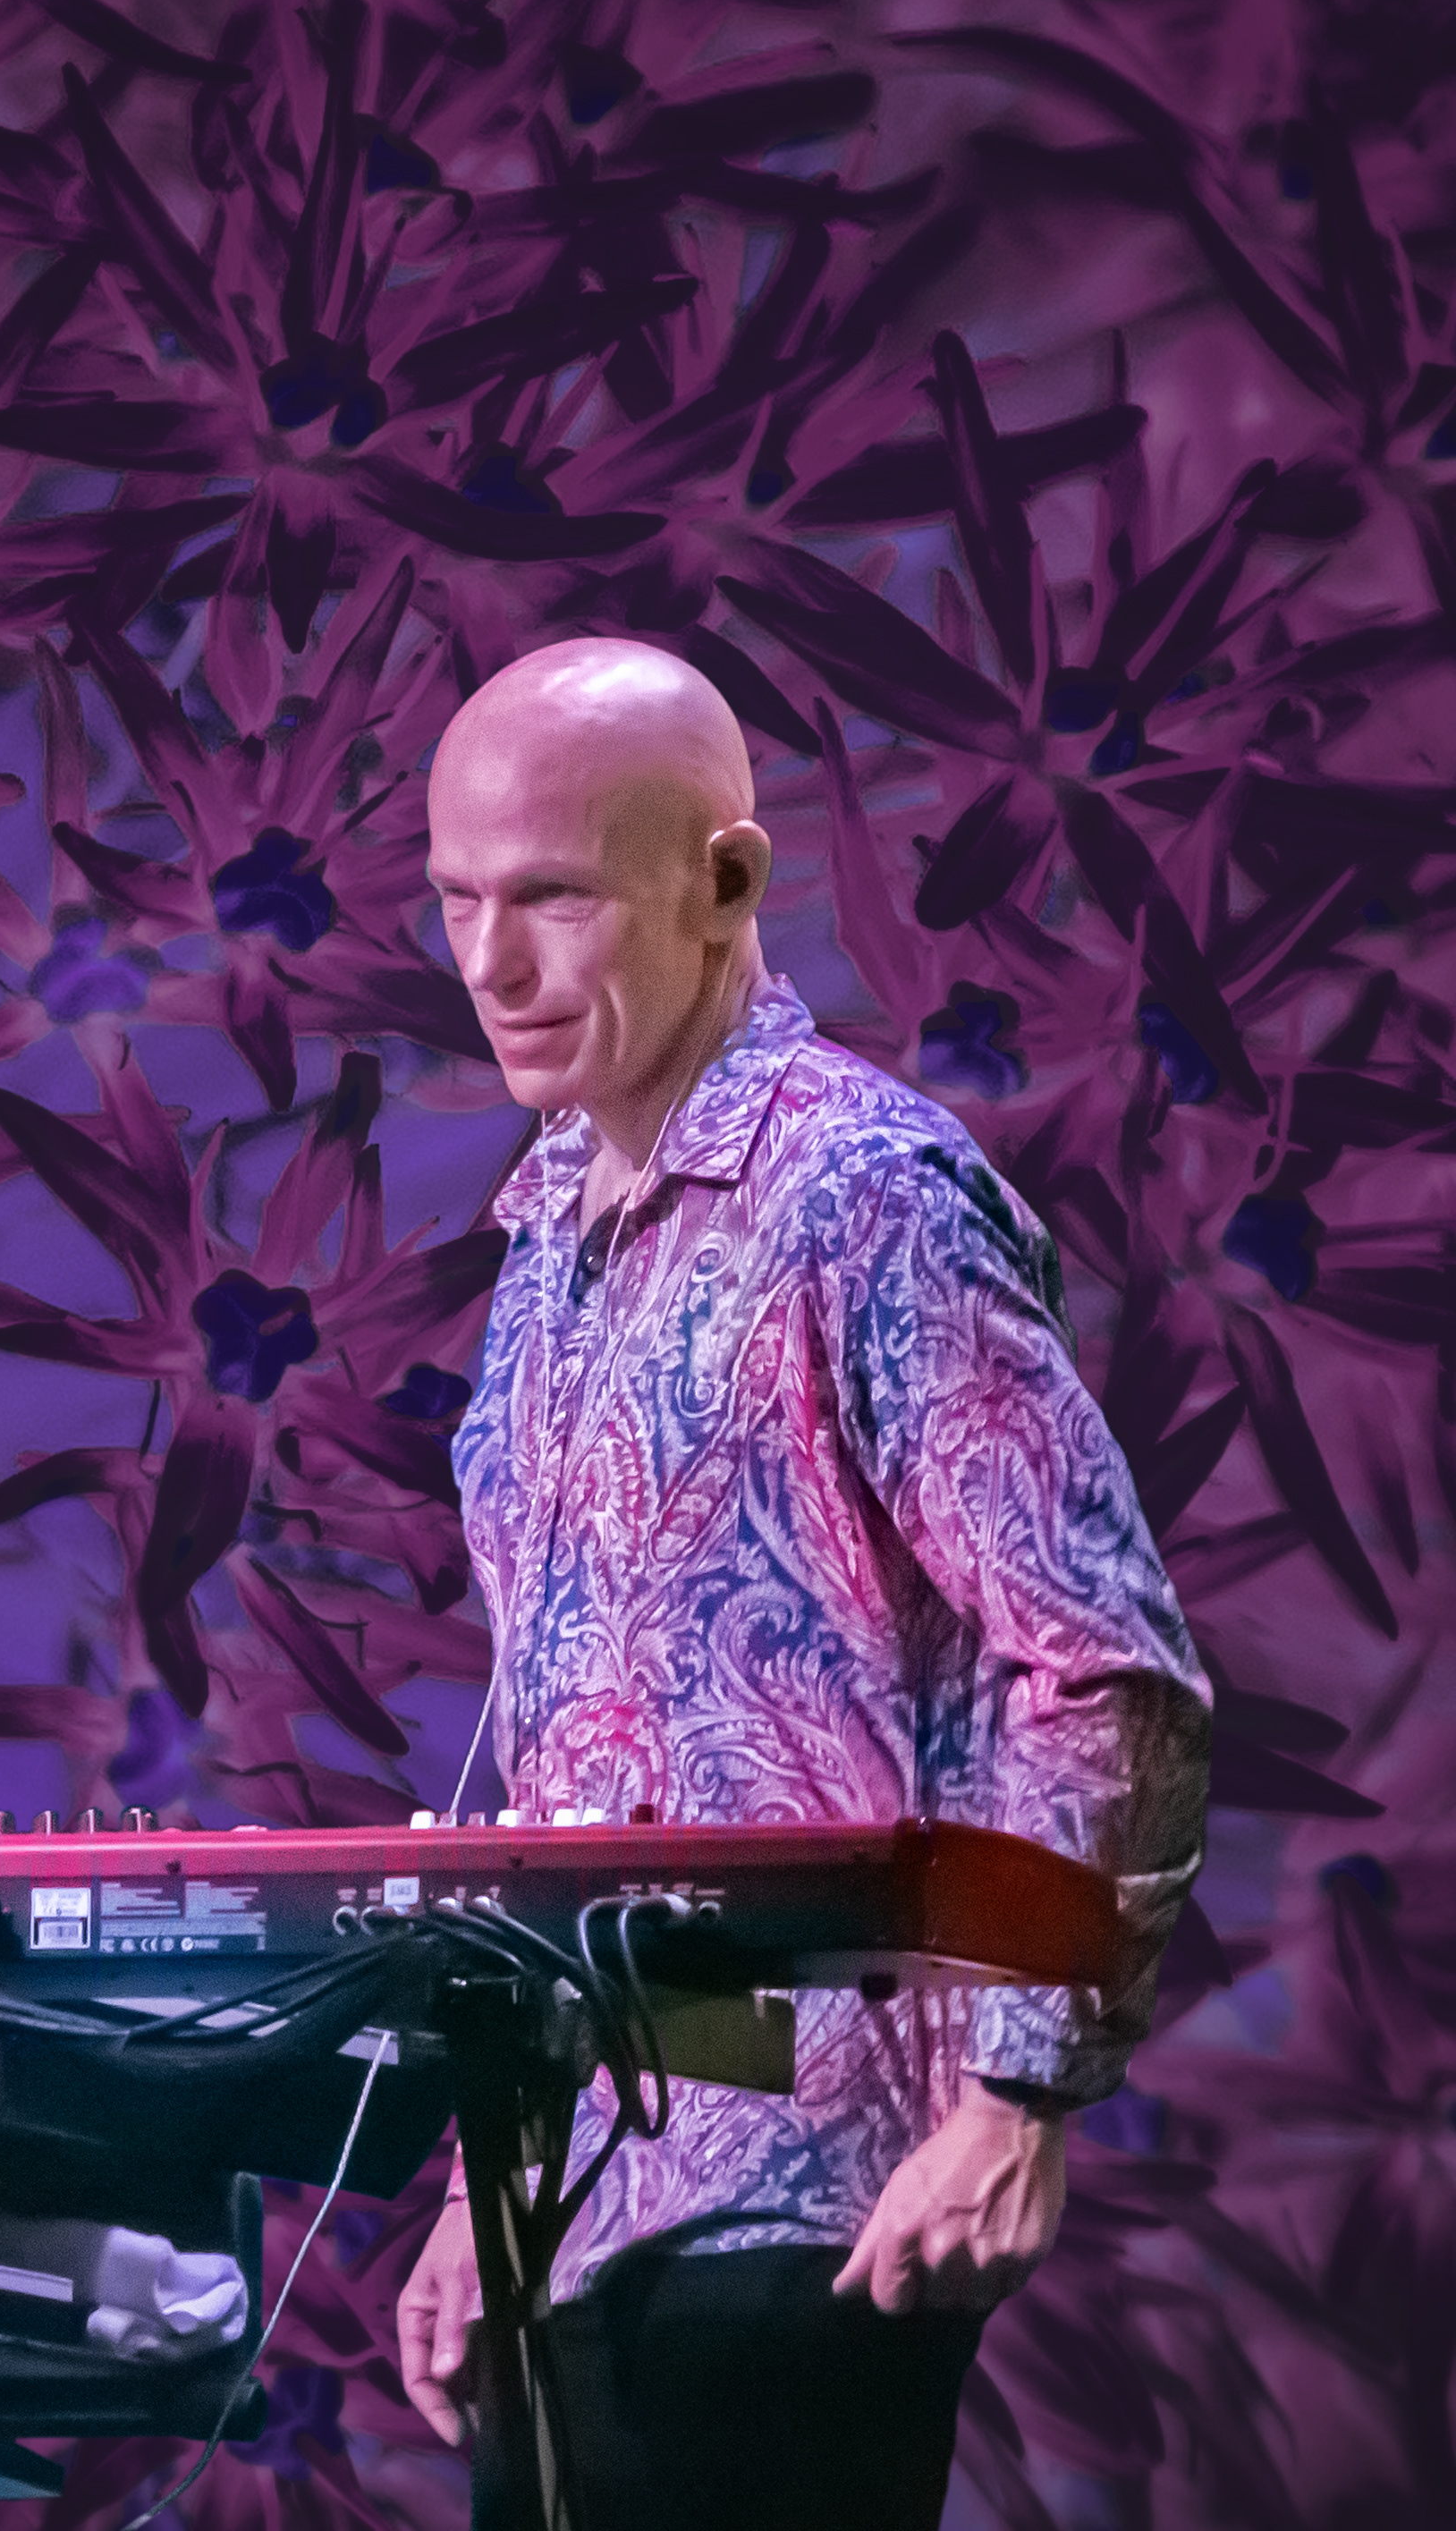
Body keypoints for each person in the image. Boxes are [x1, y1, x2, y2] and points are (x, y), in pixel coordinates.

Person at [389, 639, 1211, 2531]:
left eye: (552, 899)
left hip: (821, 2195)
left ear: (729, 881)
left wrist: (1020, 2094)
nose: (490, 965)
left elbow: (1105, 1667)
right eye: (455, 901)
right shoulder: (548, 1231)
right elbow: (583, 1756)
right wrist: (492, 2180)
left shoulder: (866, 1196)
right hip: (588, 2200)